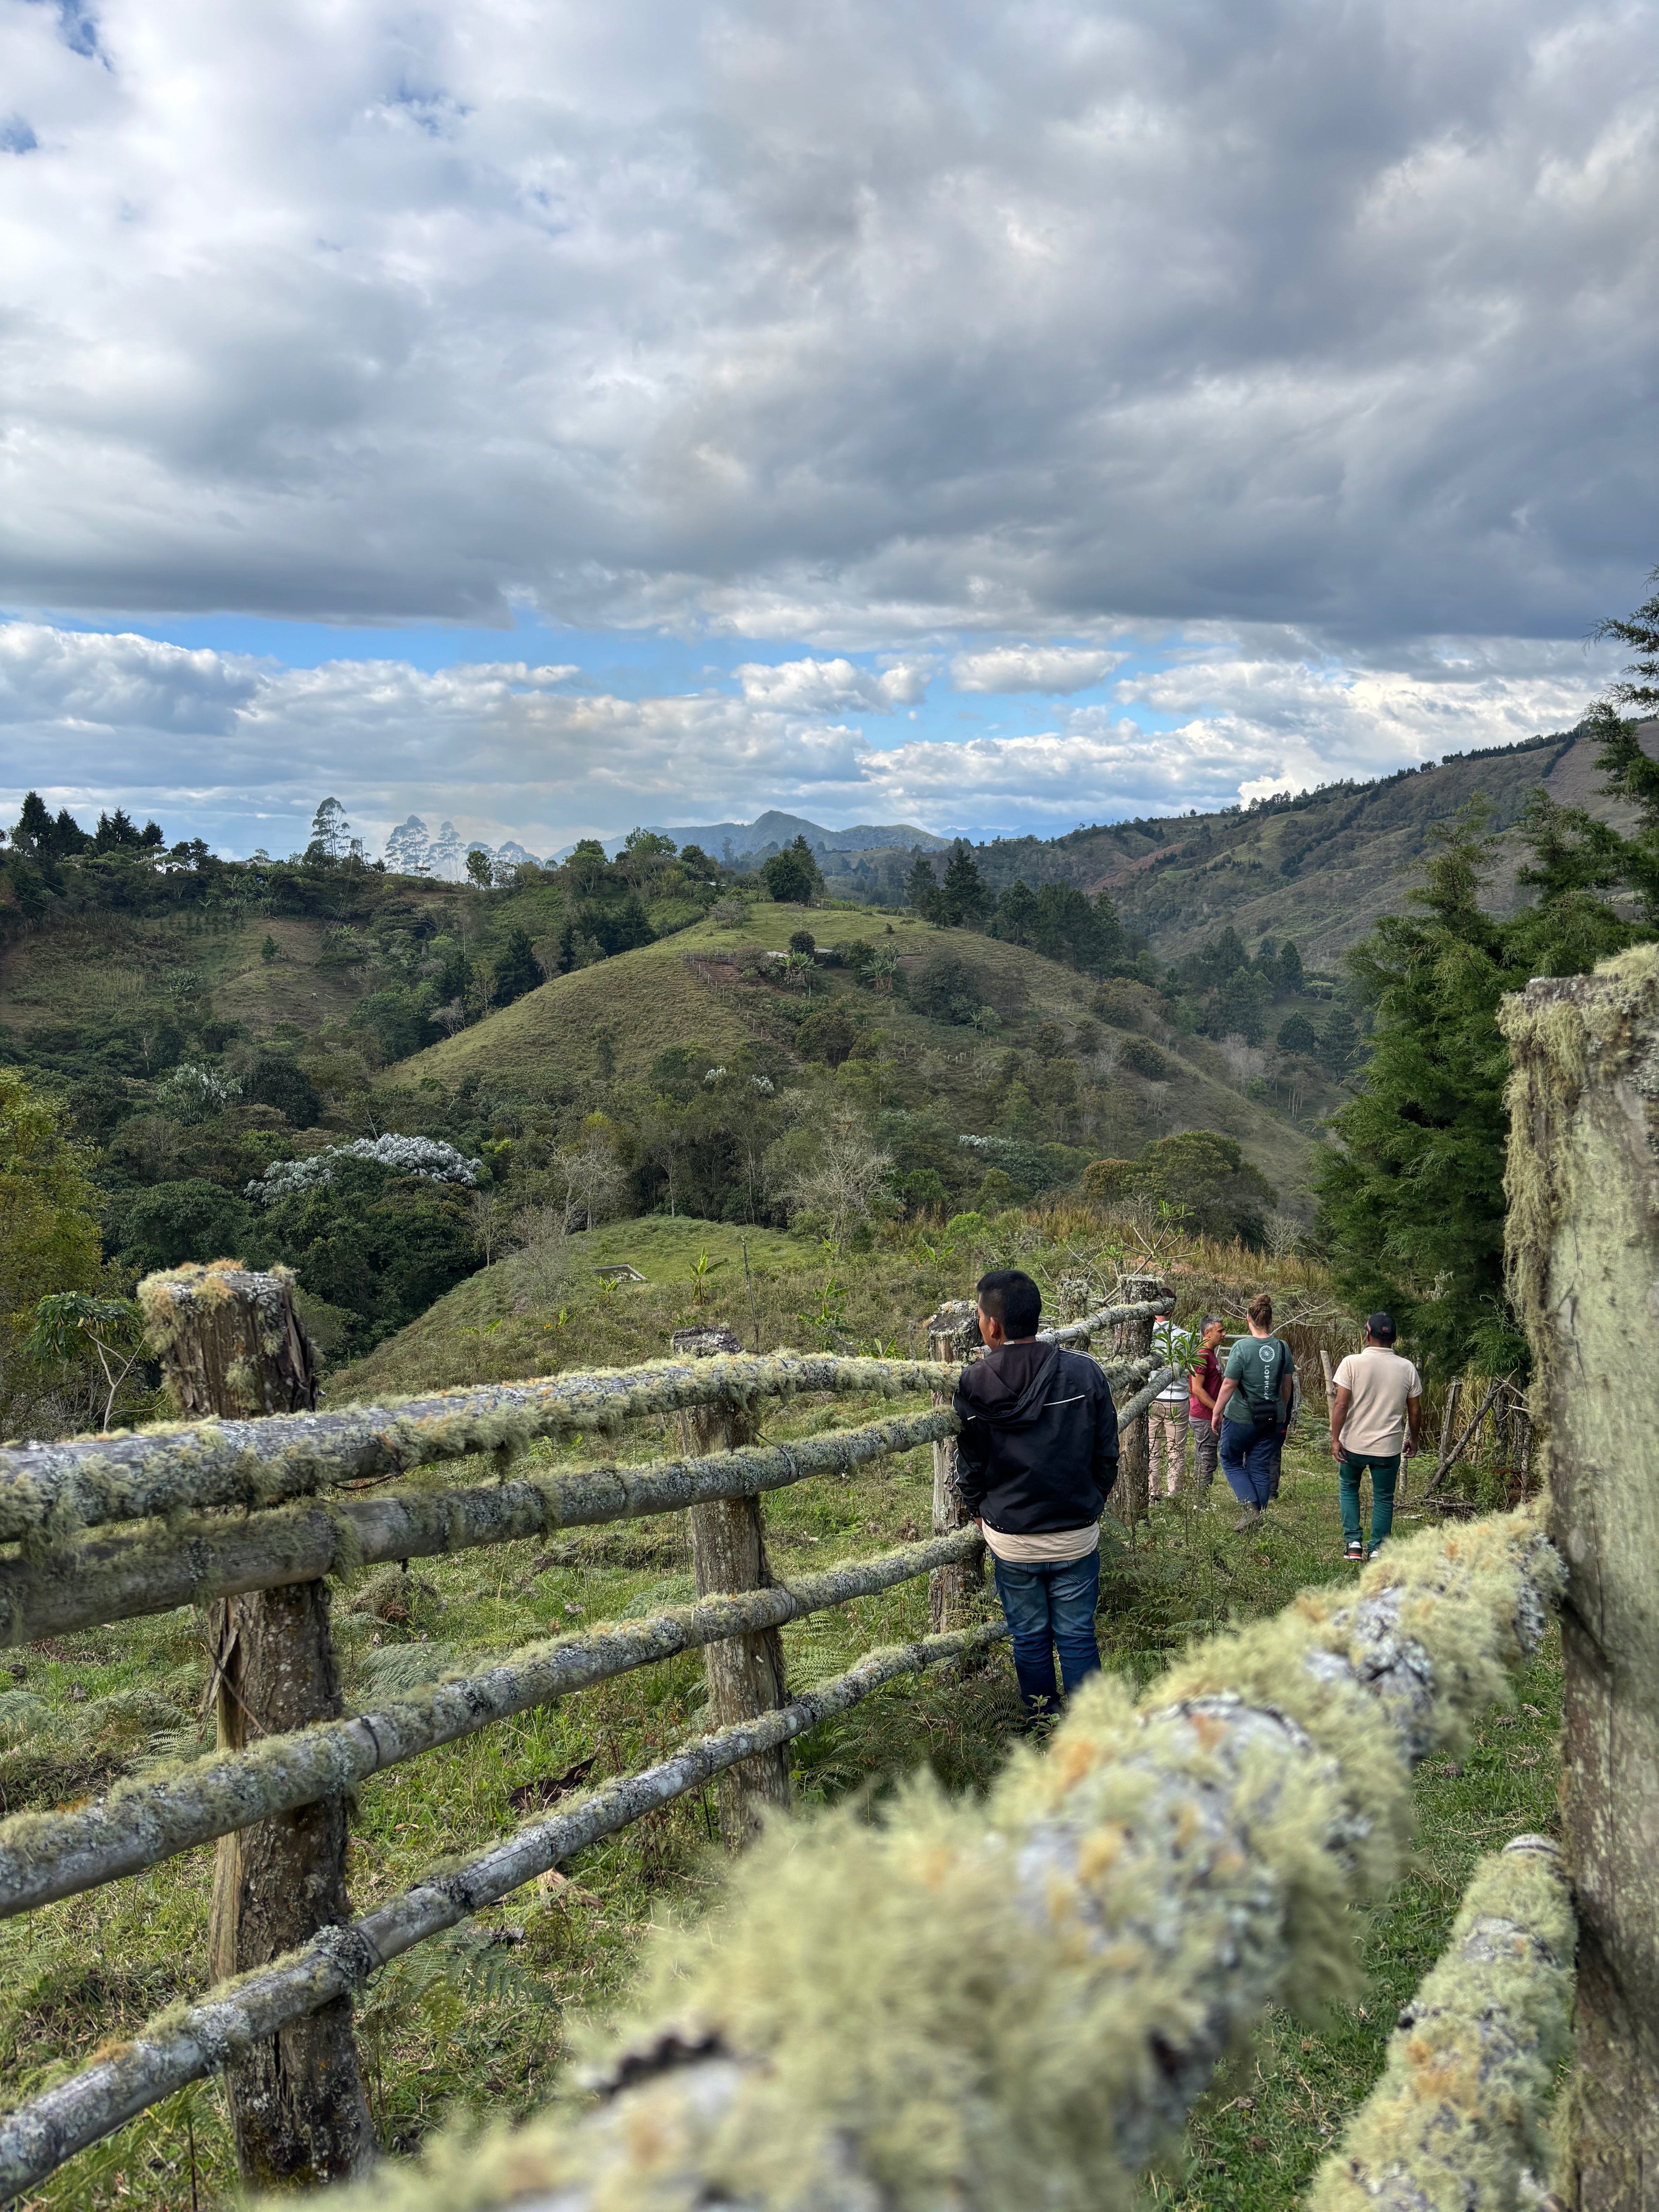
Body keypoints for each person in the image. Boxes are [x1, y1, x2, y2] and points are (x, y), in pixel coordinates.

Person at [953, 1267, 1120, 1721]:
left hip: (1012, 1537)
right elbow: (1107, 1451)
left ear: (993, 1326)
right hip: (1076, 1531)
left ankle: (1043, 1724)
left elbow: (971, 1462)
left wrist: (978, 1509)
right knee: (1078, 1635)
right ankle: (1091, 1728)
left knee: (1028, 1637)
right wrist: (1095, 1499)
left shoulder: (974, 1382)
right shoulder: (1083, 1372)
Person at [1329, 1312, 1422, 1560]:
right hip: (1388, 1448)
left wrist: (1335, 1439)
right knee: (1384, 1497)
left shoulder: (1351, 1363)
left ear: (1367, 1335)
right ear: (1395, 1339)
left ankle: (1354, 1545)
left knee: (1349, 1487)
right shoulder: (1407, 1368)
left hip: (1353, 1444)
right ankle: (1378, 1549)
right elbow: (1415, 1410)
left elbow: (1341, 1405)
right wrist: (1414, 1439)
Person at [1210, 1292, 1294, 1530]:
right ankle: (1258, 1519)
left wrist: (1217, 1412)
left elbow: (1229, 1384)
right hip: (1272, 1418)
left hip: (1241, 1418)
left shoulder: (1242, 1348)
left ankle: (1250, 1510)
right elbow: (1286, 1386)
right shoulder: (1282, 1348)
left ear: (1248, 1318)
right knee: (1259, 1465)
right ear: (1271, 1320)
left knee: (1230, 1460)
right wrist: (1281, 1412)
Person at [1148, 1324, 1189, 1498]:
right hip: (1177, 1398)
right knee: (1176, 1451)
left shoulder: (1148, 1335)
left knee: (1152, 1449)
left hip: (1153, 1397)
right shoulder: (1186, 1336)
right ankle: (1173, 1494)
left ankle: (1153, 1493)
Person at [1186, 1316, 1226, 1494]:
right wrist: (1217, 1409)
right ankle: (1200, 1501)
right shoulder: (1202, 1354)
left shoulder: (1210, 1354)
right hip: (1204, 1417)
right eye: (1220, 1331)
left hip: (1209, 1415)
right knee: (1206, 1461)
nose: (1224, 1334)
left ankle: (1199, 1498)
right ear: (1207, 1333)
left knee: (1206, 1460)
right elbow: (1197, 1389)